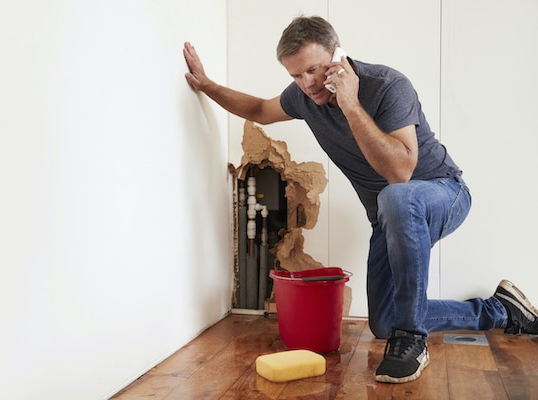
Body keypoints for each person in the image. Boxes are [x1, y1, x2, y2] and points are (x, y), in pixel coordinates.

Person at [183, 16, 538, 384]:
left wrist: (351, 104)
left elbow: (400, 172)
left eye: (314, 70)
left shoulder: (388, 86)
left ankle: (413, 339)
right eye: (295, 76)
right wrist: (206, 85)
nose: (307, 84)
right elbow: (259, 110)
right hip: (388, 214)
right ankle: (499, 312)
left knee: (397, 197)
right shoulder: (306, 97)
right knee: (385, 321)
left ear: (338, 55)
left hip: (443, 193)